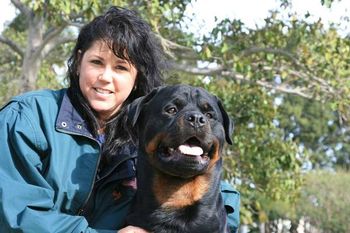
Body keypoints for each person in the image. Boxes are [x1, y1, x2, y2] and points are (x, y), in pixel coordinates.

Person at [0, 6, 239, 233]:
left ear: (137, 77)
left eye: (121, 68)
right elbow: (17, 214)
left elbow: (218, 189)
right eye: (96, 62)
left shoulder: (147, 125)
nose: (106, 77)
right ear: (78, 64)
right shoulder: (28, 117)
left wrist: (222, 221)